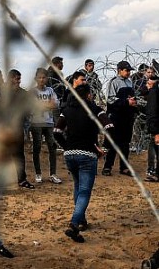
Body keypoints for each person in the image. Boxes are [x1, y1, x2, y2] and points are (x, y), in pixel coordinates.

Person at [54, 84, 111, 242]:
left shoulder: (67, 110)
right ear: (88, 95)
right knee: (84, 191)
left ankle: (81, 221)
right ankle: (74, 224)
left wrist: (68, 147)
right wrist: (103, 149)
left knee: (78, 187)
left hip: (70, 155)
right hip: (87, 154)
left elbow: (56, 132)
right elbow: (109, 127)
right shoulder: (95, 109)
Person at [102, 60, 138, 176]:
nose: (128, 73)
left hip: (127, 117)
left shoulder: (129, 82)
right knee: (113, 142)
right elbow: (111, 100)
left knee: (125, 143)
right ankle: (108, 166)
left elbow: (132, 98)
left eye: (129, 71)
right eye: (126, 70)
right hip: (116, 116)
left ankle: (124, 167)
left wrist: (134, 104)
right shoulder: (114, 82)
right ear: (119, 70)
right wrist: (126, 102)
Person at [31, 68, 61, 184]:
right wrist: (47, 104)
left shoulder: (50, 90)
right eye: (40, 77)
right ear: (36, 79)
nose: (42, 80)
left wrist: (45, 105)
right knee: (37, 147)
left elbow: (55, 104)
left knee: (52, 148)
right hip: (36, 122)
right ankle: (38, 173)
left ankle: (53, 174)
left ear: (47, 78)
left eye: (44, 77)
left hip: (49, 122)